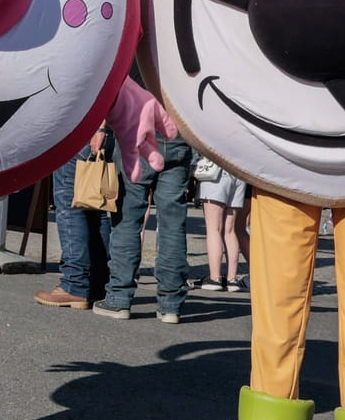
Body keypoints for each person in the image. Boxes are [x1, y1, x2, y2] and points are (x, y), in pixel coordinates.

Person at [96, 130, 196, 323]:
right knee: (173, 223)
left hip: (137, 133)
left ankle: (119, 298)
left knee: (127, 219)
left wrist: (101, 129)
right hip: (178, 136)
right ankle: (170, 305)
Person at [35, 125, 118, 311]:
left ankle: (74, 284)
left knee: (70, 206)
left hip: (85, 131)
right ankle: (98, 284)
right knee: (95, 207)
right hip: (103, 133)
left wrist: (100, 128)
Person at [196, 156, 249, 293]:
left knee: (214, 228)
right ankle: (232, 278)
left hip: (217, 171)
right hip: (238, 171)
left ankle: (215, 278)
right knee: (230, 230)